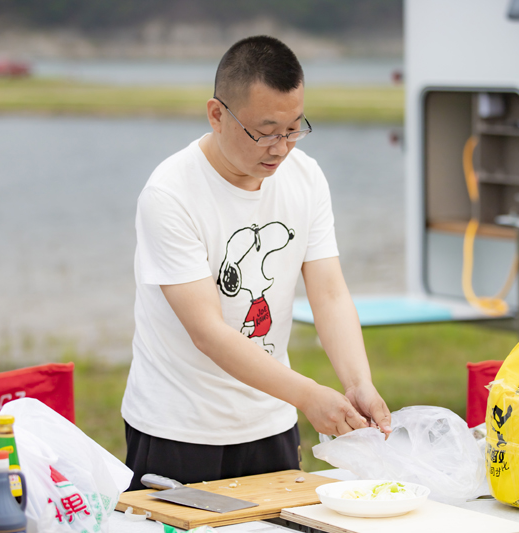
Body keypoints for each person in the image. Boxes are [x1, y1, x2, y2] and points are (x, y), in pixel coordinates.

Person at [121, 35, 391, 490]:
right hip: (178, 427)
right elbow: (208, 332)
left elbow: (328, 294)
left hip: (271, 421)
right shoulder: (170, 195)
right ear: (216, 114)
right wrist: (308, 395)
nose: (281, 147)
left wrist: (357, 382)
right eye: (265, 131)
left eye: (293, 128)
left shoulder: (305, 178)